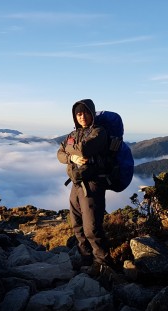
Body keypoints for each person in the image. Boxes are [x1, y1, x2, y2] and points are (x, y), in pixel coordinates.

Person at [57, 98, 113, 275]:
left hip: (92, 184)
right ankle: (86, 260)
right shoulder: (73, 135)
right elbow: (59, 153)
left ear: (92, 113)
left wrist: (70, 150)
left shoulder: (99, 132)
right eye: (78, 113)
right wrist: (71, 157)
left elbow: (83, 150)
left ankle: (104, 264)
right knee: (77, 226)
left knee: (92, 228)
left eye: (85, 113)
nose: (82, 116)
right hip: (76, 184)